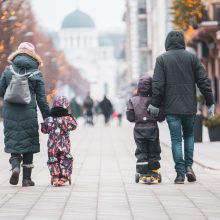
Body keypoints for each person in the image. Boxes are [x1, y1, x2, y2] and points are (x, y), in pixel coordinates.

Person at [147, 30, 215, 184]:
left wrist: (155, 104)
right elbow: (203, 81)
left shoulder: (162, 59)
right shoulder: (192, 58)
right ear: (183, 42)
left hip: (172, 108)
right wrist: (210, 101)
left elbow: (158, 85)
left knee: (176, 140)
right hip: (189, 107)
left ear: (167, 43)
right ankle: (189, 167)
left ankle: (180, 173)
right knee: (189, 137)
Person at [0, 42, 50, 186]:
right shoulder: (36, 73)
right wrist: (47, 118)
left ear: (17, 53)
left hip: (10, 112)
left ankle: (15, 166)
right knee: (29, 141)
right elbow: (41, 99)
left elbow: (1, 91)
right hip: (29, 112)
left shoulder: (8, 70)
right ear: (33, 55)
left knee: (14, 139)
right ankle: (27, 179)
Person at [126, 76, 165, 183]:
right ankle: (153, 171)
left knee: (141, 150)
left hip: (139, 129)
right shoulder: (154, 100)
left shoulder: (132, 100)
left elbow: (130, 117)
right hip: (152, 128)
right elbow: (161, 116)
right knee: (154, 150)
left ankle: (142, 172)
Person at [41, 96, 77, 186]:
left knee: (52, 159)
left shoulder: (49, 119)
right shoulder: (67, 118)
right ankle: (64, 177)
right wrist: (69, 116)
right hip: (64, 144)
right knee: (65, 159)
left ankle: (55, 176)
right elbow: (74, 126)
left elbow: (44, 130)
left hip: (52, 145)